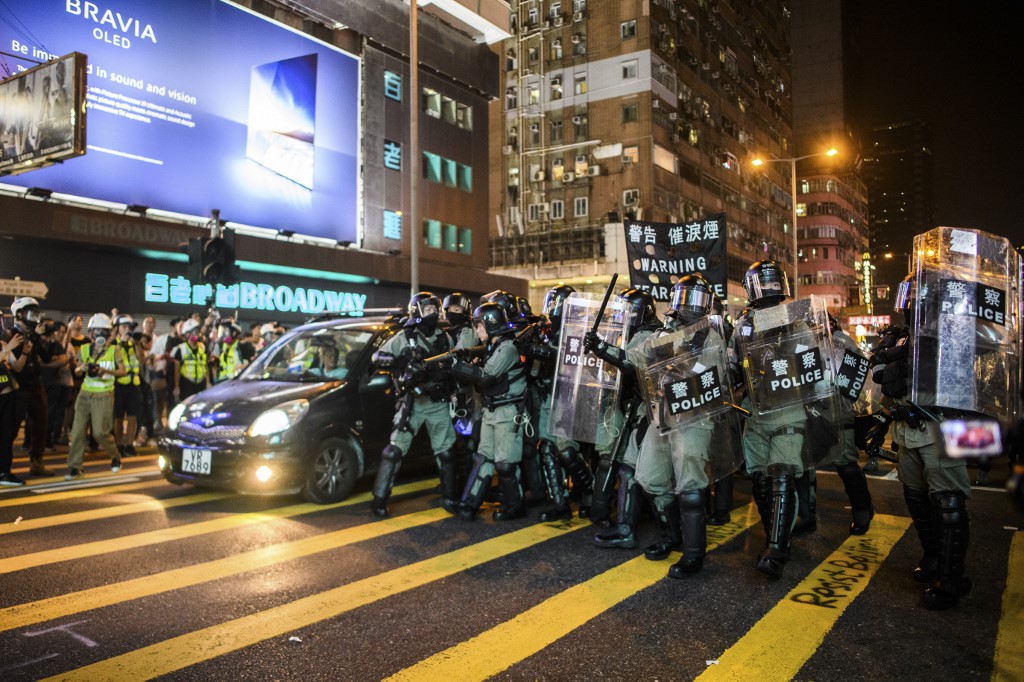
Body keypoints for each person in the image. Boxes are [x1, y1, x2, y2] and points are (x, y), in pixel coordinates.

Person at [875, 274, 973, 610]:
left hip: (941, 426)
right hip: (907, 429)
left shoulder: (950, 334)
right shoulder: (902, 337)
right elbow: (891, 386)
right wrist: (881, 418)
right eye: (909, 295)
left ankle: (950, 580)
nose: (911, 302)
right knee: (915, 498)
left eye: (918, 295)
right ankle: (933, 559)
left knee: (948, 503)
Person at [631, 275, 734, 576]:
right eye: (686, 297)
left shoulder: (710, 335)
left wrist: (679, 357)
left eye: (698, 298)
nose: (691, 305)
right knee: (649, 477)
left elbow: (705, 373)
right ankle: (670, 535)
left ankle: (693, 554)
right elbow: (641, 356)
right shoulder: (665, 331)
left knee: (690, 487)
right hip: (662, 415)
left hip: (693, 418)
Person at [731, 261, 822, 579]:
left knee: (781, 476)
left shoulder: (795, 321)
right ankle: (777, 535)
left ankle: (776, 548)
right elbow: (732, 366)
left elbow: (813, 368)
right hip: (755, 413)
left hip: (786, 410)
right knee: (760, 481)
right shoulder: (743, 325)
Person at [583, 288, 661, 548]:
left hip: (648, 413)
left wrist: (601, 348)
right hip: (636, 410)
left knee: (635, 471)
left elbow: (629, 364)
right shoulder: (630, 334)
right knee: (628, 468)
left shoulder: (646, 335)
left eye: (628, 311)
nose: (622, 316)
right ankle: (627, 528)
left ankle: (651, 531)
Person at [370, 292, 459, 517]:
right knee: (393, 451)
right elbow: (378, 358)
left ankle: (449, 498)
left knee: (447, 453)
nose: (434, 313)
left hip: (438, 402)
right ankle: (379, 500)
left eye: (434, 309)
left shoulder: (444, 338)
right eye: (428, 309)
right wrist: (403, 362)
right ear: (416, 311)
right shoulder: (405, 337)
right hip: (413, 403)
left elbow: (455, 364)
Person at [450, 302, 529, 521]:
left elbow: (486, 376)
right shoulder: (494, 346)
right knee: (483, 458)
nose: (477, 330)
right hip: (492, 410)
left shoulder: (507, 348)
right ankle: (469, 505)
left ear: (491, 324)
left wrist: (459, 366)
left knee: (505, 464)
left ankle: (516, 506)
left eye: (480, 325)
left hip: (507, 411)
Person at [66, 313, 126, 479]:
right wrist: (82, 368)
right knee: (77, 431)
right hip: (85, 394)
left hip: (104, 395)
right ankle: (75, 466)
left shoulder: (115, 349)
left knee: (100, 433)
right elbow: (77, 370)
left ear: (108, 333)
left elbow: (123, 371)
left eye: (103, 330)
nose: (100, 333)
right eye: (96, 330)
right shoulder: (85, 348)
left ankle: (115, 455)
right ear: (91, 332)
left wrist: (106, 370)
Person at [8, 297, 53, 476]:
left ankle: (37, 462)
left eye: (36, 313)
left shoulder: (34, 334)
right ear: (19, 314)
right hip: (18, 387)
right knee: (11, 428)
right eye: (30, 313)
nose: (34, 317)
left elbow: (47, 357)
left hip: (36, 385)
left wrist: (40, 337)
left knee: (40, 425)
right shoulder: (12, 334)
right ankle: (5, 466)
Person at [112, 315, 143, 458]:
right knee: (118, 417)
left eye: (129, 327)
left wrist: (137, 343)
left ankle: (130, 445)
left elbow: (140, 360)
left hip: (133, 385)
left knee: (133, 417)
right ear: (117, 328)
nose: (127, 330)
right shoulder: (114, 343)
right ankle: (119, 445)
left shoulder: (133, 343)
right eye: (124, 326)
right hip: (118, 384)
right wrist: (123, 343)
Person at [0, 332, 26, 485]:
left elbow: (17, 367)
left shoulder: (3, 344)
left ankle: (4, 472)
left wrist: (25, 352)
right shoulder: (5, 346)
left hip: (7, 395)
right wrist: (8, 348)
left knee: (6, 435)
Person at [171, 319, 209, 402]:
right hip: (187, 384)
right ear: (187, 334)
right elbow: (176, 370)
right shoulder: (180, 349)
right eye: (192, 331)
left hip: (201, 384)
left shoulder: (202, 347)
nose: (195, 333)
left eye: (196, 331)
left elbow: (205, 366)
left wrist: (208, 382)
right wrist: (177, 386)